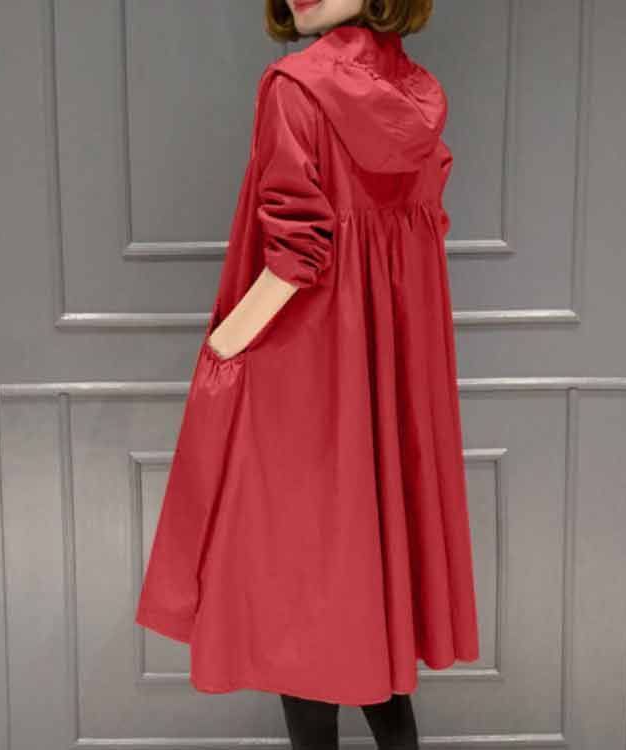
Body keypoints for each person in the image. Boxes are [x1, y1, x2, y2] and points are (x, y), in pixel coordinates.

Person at [135, 0, 480, 747]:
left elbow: (297, 252)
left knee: (299, 600)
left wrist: (224, 346)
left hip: (301, 380)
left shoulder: (296, 87)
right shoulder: (419, 97)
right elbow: (418, 242)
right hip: (387, 385)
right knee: (370, 596)